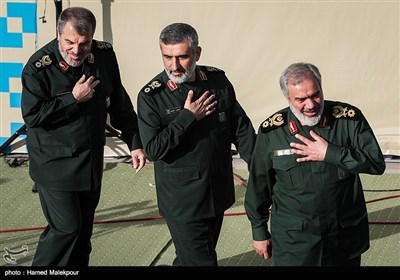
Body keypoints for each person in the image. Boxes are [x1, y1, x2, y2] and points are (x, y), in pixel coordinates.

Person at [21, 7, 146, 266]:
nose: (77, 50)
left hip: (89, 164)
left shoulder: (103, 56)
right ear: (58, 36)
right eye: (69, 43)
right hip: (55, 165)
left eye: (84, 43)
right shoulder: (38, 68)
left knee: (82, 235)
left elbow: (119, 104)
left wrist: (135, 142)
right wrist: (72, 99)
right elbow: (32, 116)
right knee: (66, 229)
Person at [137, 22, 256, 266]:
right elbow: (153, 149)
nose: (174, 65)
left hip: (217, 192)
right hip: (184, 202)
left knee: (191, 259)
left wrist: (261, 169)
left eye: (182, 56)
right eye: (167, 57)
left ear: (197, 53)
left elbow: (241, 129)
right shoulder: (152, 97)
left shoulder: (217, 82)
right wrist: (188, 117)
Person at [244, 62, 386, 266]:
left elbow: (376, 163)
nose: (310, 105)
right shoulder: (272, 132)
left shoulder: (348, 119)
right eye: (301, 99)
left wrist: (331, 153)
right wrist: (259, 231)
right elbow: (259, 186)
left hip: (343, 237)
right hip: (296, 244)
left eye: (315, 95)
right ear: (287, 98)